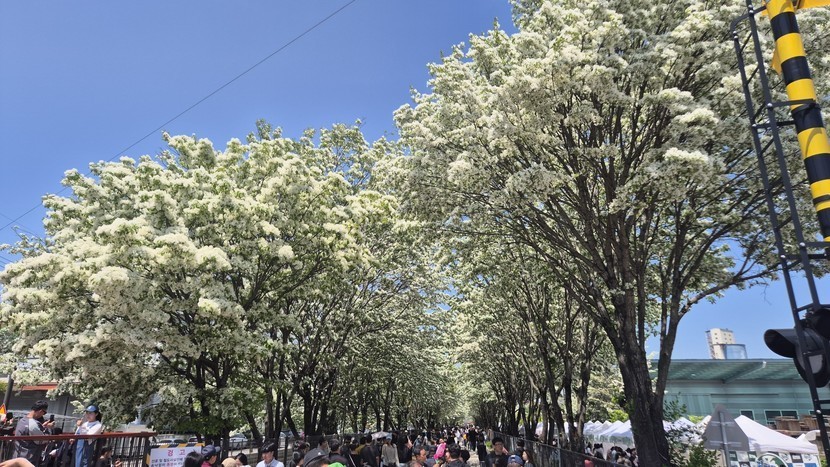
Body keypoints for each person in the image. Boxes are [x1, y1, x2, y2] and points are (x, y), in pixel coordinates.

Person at [14, 400, 56, 464]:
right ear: (40, 411)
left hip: (17, 455)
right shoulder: (33, 423)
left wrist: (42, 427)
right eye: (44, 413)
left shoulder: (21, 421)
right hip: (29, 458)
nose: (43, 415)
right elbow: (43, 440)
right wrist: (48, 428)